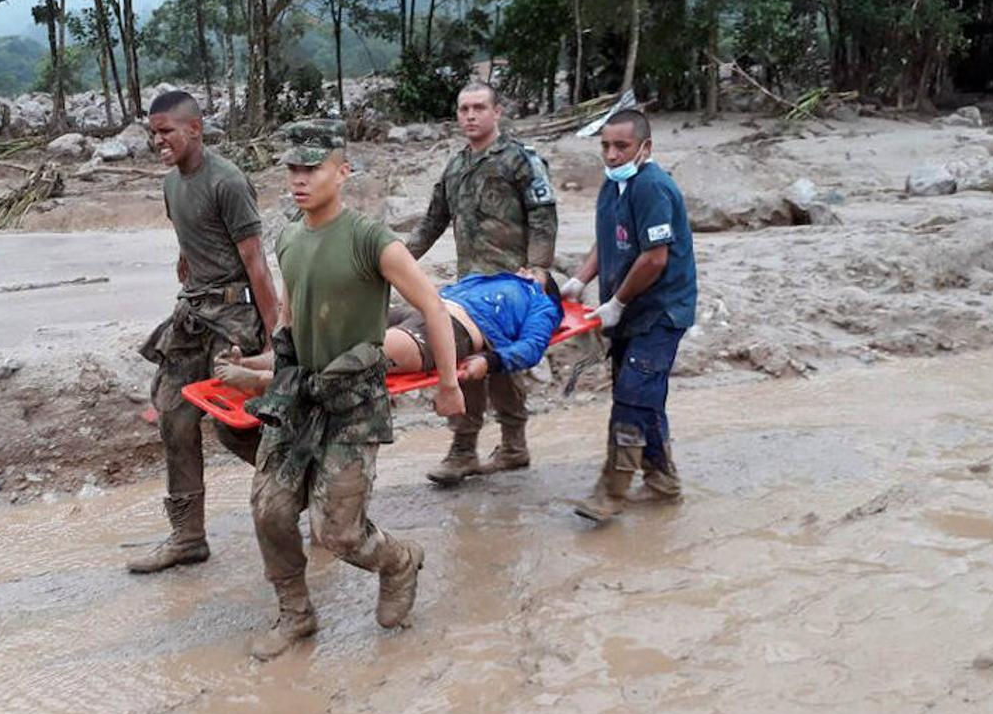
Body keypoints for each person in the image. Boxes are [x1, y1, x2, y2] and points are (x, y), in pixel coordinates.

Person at [247, 144, 465, 661]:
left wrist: (450, 383)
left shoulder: (372, 241)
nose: (299, 179)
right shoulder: (290, 239)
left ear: (342, 173)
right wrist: (266, 367)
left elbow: (433, 305)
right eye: (292, 169)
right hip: (300, 396)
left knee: (337, 532)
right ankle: (296, 614)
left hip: (353, 405)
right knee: (270, 509)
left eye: (312, 168)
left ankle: (398, 562)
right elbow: (289, 317)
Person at [128, 91, 280, 573]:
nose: (159, 141)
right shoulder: (172, 184)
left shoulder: (228, 181)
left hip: (233, 317)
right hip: (192, 314)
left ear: (195, 129)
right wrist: (184, 263)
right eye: (154, 133)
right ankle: (188, 535)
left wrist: (277, 342)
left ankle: (302, 485)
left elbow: (256, 264)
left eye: (166, 131)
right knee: (173, 415)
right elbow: (188, 239)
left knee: (234, 429)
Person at [405, 82, 559, 486]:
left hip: (512, 288)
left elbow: (543, 217)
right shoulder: (455, 168)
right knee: (461, 367)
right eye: (463, 109)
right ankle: (465, 448)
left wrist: (539, 269)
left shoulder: (520, 161)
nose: (470, 116)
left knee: (502, 367)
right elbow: (432, 223)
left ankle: (512, 444)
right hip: (468, 288)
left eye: (478, 108)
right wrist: (397, 263)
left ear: (497, 113)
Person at [216, 272, 564, 436]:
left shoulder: (540, 303)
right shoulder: (488, 279)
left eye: (534, 272)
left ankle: (272, 381)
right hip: (421, 309)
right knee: (334, 333)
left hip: (449, 331)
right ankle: (255, 363)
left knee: (365, 352)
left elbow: (531, 348)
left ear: (544, 287)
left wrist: (489, 361)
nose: (524, 269)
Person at [560, 109, 697, 524]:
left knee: (632, 395)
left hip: (659, 311)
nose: (612, 155)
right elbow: (609, 241)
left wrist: (616, 301)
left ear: (645, 147)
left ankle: (611, 490)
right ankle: (662, 482)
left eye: (621, 146)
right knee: (642, 394)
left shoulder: (653, 188)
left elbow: (654, 258)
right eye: (605, 146)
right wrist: (579, 280)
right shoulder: (613, 186)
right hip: (627, 311)